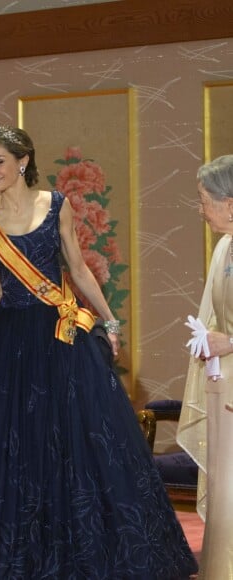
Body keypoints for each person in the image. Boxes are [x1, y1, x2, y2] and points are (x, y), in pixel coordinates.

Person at [0, 124, 198, 579]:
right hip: (11, 342)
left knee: (79, 444)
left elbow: (79, 270)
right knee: (10, 449)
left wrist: (109, 319)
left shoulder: (55, 206)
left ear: (23, 161)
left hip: (62, 336)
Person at [177, 154, 233, 579]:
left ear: (230, 203)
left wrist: (227, 342)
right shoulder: (224, 246)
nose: (201, 210)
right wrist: (207, 340)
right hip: (225, 389)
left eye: (204, 201)